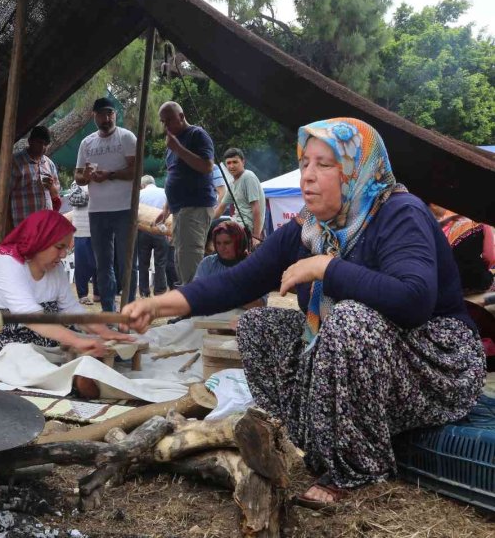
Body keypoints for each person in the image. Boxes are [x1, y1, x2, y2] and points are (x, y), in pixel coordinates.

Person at [122, 118, 484, 505]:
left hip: (436, 362)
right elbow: (236, 282)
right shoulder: (309, 228)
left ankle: (358, 468)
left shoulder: (399, 213)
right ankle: (311, 440)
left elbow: (414, 301)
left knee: (349, 320)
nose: (307, 177)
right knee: (258, 326)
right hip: (373, 358)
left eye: (324, 165)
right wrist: (158, 305)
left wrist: (327, 268)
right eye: (305, 163)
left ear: (355, 169)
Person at [0, 210, 135, 398]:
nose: (63, 255)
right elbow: (33, 319)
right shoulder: (7, 264)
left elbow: (72, 310)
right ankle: (72, 380)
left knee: (86, 345)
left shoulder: (56, 269)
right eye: (59, 247)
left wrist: (104, 332)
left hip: (41, 340)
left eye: (66, 249)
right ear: (40, 240)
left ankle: (76, 372)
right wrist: (77, 340)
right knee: (21, 358)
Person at [75, 97, 138, 311]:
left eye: (110, 113)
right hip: (97, 210)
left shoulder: (127, 137)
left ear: (115, 115)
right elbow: (78, 177)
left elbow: (136, 171)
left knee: (126, 263)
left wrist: (110, 174)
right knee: (102, 264)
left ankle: (128, 310)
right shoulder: (87, 142)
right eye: (102, 114)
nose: (107, 117)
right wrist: (88, 176)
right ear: (95, 116)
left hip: (125, 209)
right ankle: (109, 311)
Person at [154, 101, 216, 285]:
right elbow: (175, 175)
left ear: (181, 116)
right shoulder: (173, 143)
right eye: (163, 122)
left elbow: (207, 166)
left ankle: (196, 307)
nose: (166, 126)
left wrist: (178, 149)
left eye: (169, 120)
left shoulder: (197, 135)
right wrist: (166, 209)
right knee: (181, 260)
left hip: (195, 207)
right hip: (180, 210)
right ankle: (188, 306)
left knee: (190, 259)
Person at [195, 220, 266, 309]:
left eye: (227, 243)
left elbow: (260, 304)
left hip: (241, 318)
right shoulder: (207, 264)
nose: (222, 248)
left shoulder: (254, 266)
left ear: (239, 242)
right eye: (218, 243)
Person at [428, 204, 494, 293]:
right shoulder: (484, 223)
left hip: (446, 280)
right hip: (474, 280)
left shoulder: (447, 222)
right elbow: (490, 257)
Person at [11, 125, 61, 227]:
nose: (42, 147)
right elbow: (5, 195)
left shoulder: (49, 163)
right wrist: (8, 225)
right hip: (24, 225)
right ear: (30, 141)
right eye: (39, 142)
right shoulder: (16, 162)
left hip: (46, 224)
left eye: (45, 144)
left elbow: (56, 194)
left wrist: (51, 186)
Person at [214, 148, 265, 246]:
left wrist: (256, 236)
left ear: (243, 162)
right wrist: (201, 221)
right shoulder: (232, 184)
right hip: (236, 224)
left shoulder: (248, 176)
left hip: (246, 228)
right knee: (211, 228)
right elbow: (220, 209)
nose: (231, 166)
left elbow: (256, 208)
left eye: (235, 162)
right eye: (228, 163)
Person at [137, 175, 170, 297]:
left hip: (143, 230)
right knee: (160, 262)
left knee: (143, 262)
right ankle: (160, 290)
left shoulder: (140, 194)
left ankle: (144, 291)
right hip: (161, 229)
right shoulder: (164, 193)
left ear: (143, 185)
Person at [68, 181, 99, 305]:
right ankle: (83, 294)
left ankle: (98, 293)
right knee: (82, 264)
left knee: (100, 264)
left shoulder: (101, 182)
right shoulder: (77, 183)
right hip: (82, 230)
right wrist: (92, 195)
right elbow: (73, 199)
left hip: (98, 230)